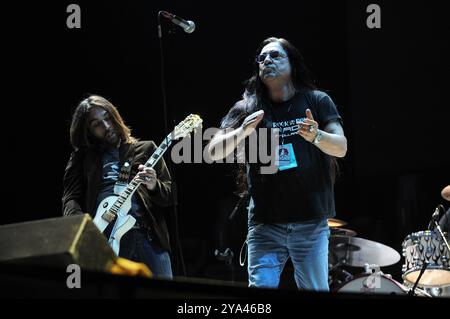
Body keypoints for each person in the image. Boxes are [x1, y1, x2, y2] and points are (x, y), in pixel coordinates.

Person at [208, 37, 347, 291]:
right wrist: (241, 132)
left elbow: (341, 147)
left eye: (275, 56)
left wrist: (316, 136)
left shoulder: (317, 101)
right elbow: (213, 151)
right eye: (261, 59)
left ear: (292, 63)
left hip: (310, 223)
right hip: (265, 225)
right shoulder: (247, 108)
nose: (267, 61)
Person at [62, 95, 173, 278]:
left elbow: (169, 197)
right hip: (105, 240)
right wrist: (85, 231)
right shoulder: (82, 157)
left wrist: (153, 185)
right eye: (96, 124)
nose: (105, 126)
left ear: (115, 116)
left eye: (107, 118)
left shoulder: (145, 149)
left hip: (148, 238)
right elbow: (70, 199)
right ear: (87, 131)